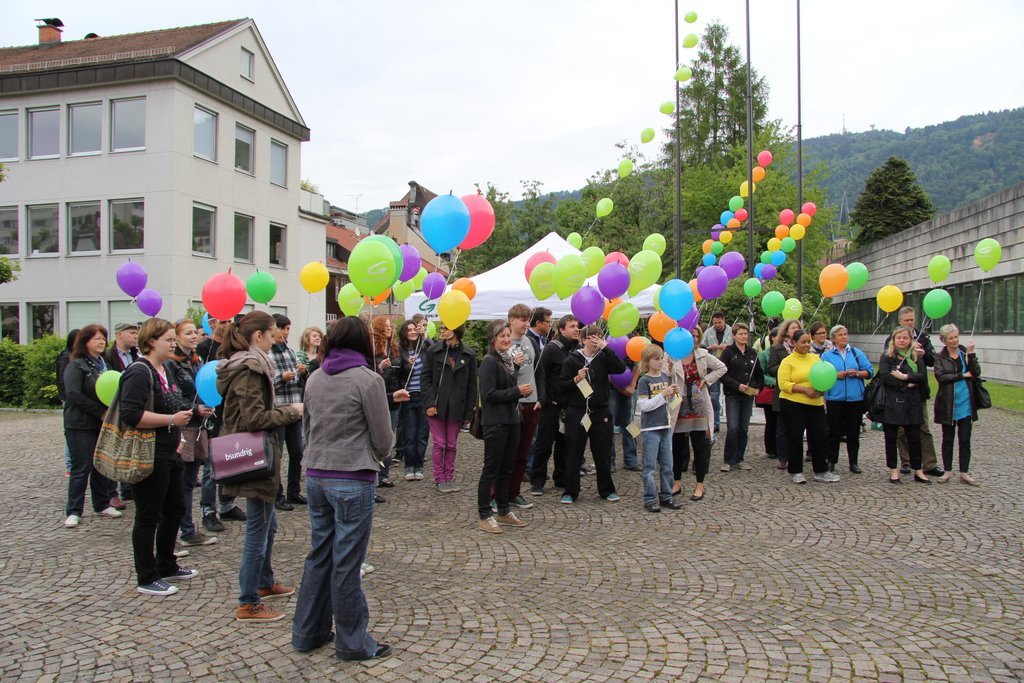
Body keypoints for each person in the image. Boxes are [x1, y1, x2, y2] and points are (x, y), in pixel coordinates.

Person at [292, 317, 393, 661]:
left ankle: (308, 631)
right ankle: (352, 642)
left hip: (317, 475)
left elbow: (307, 428)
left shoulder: (315, 378)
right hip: (352, 476)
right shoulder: (368, 380)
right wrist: (376, 456)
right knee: (347, 563)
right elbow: (383, 438)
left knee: (319, 555)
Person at [216, 311, 304, 621]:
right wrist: (291, 411)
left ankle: (264, 583)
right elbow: (254, 418)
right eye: (271, 334)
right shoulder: (250, 368)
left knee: (269, 523)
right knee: (258, 528)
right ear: (258, 336)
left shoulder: (251, 363)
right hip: (254, 452)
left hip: (258, 451)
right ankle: (248, 601)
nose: (275, 339)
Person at [119, 318, 198, 596]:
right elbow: (131, 414)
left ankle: (167, 563)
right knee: (148, 515)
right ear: (151, 341)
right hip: (149, 452)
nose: (173, 344)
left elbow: (172, 406)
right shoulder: (139, 372)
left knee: (174, 508)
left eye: (173, 339)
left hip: (169, 450)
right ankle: (146, 575)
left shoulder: (165, 369)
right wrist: (171, 420)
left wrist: (179, 430)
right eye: (168, 339)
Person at [557, 324, 626, 504]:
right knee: (573, 452)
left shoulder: (603, 357)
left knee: (602, 453)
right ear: (582, 340)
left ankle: (607, 489)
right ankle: (570, 491)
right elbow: (561, 386)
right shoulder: (571, 360)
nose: (596, 341)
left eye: (599, 338)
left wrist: (606, 348)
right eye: (592, 338)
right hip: (577, 410)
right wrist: (576, 379)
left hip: (600, 411)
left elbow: (620, 368)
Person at [165, 318, 218, 546]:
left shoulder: (196, 361)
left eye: (194, 333)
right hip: (182, 426)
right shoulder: (171, 365)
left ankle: (187, 529)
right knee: (182, 482)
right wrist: (195, 408)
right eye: (187, 333)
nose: (194, 336)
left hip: (198, 426)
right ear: (177, 338)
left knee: (188, 481)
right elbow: (172, 398)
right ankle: (184, 530)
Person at [62, 325, 120, 528]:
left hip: (102, 423)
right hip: (80, 424)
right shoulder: (76, 365)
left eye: (103, 338)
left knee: (101, 465)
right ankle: (74, 511)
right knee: (81, 468)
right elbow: (73, 394)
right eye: (96, 338)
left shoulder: (104, 364)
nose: (101, 342)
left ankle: (102, 503)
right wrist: (100, 412)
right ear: (85, 341)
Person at [477, 320, 531, 533]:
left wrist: (515, 372)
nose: (507, 339)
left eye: (508, 335)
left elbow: (505, 385)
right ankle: (484, 514)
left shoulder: (506, 360)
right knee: (491, 470)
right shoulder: (489, 362)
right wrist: (517, 391)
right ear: (493, 339)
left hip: (512, 421)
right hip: (496, 423)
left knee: (506, 470)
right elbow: (489, 395)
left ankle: (503, 510)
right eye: (502, 336)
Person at [197, 317, 246, 532]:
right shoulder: (203, 348)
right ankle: (208, 510)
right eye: (222, 321)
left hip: (230, 411)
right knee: (211, 467)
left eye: (228, 321)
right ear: (212, 323)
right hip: (211, 412)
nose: (226, 324)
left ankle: (227, 504)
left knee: (230, 461)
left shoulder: (233, 348)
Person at [885, 307, 943, 477]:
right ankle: (906, 462)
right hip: (899, 393)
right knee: (901, 430)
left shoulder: (923, 337)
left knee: (923, 428)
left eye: (912, 320)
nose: (910, 323)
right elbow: (888, 365)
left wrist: (923, 354)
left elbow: (933, 361)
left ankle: (929, 463)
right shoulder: (893, 338)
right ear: (900, 321)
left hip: (918, 393)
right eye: (906, 321)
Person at [670, 327, 726, 500]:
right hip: (678, 405)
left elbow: (721, 367)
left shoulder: (702, 354)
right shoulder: (672, 354)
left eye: (696, 336)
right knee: (677, 446)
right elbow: (663, 374)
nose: (694, 339)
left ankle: (700, 484)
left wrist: (706, 380)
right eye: (691, 335)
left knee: (700, 446)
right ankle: (676, 482)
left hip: (699, 404)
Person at [422, 323, 477, 492]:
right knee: (440, 443)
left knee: (451, 444)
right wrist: (430, 403)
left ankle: (449, 477)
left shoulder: (469, 354)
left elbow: (472, 386)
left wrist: (469, 413)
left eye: (445, 328)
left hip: (457, 408)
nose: (442, 330)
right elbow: (425, 379)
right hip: (437, 406)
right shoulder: (433, 351)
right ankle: (439, 478)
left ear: (454, 330)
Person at [777, 329, 836, 484]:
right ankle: (796, 471)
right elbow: (783, 384)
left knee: (820, 436)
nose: (806, 345)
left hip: (815, 403)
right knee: (795, 437)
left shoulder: (815, 359)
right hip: (793, 403)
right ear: (794, 343)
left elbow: (822, 375)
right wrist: (804, 389)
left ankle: (821, 470)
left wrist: (822, 389)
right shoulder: (788, 361)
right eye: (803, 342)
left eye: (808, 342)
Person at [529, 315, 580, 495]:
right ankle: (537, 480)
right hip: (551, 404)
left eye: (577, 326)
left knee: (564, 445)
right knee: (544, 444)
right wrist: (544, 397)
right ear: (562, 329)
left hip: (569, 406)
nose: (576, 329)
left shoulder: (578, 350)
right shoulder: (551, 349)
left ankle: (561, 477)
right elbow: (540, 374)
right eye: (572, 326)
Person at [503, 304, 544, 510]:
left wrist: (541, 397)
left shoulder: (530, 341)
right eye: (522, 319)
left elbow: (539, 370)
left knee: (523, 452)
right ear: (512, 320)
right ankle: (499, 493)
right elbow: (500, 377)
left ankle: (514, 492)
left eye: (528, 319)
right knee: (507, 452)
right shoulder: (503, 342)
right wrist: (514, 365)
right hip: (513, 404)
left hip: (532, 404)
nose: (526, 324)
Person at [877, 326, 929, 485]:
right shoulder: (887, 357)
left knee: (915, 438)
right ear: (893, 340)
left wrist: (905, 376)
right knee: (891, 438)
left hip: (912, 403)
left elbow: (922, 376)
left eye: (905, 338)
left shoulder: (915, 357)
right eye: (899, 338)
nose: (902, 340)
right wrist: (906, 384)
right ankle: (894, 470)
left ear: (910, 340)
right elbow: (886, 377)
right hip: (892, 403)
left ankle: (918, 470)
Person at [635, 345, 682, 513]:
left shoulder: (664, 376)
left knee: (667, 465)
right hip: (650, 428)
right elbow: (644, 406)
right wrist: (663, 394)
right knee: (649, 467)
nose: (660, 361)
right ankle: (649, 498)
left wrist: (672, 393)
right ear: (647, 361)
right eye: (656, 359)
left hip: (665, 425)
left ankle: (667, 496)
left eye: (661, 358)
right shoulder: (644, 381)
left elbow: (668, 402)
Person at [821, 325, 873, 474]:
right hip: (835, 398)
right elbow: (822, 375)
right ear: (833, 339)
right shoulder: (827, 356)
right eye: (840, 335)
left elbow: (869, 371)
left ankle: (853, 462)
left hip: (855, 399)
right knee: (833, 431)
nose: (844, 337)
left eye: (845, 334)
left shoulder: (856, 353)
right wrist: (835, 375)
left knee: (853, 432)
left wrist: (857, 373)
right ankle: (831, 460)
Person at [933, 324, 981, 485]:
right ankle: (947, 471)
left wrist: (971, 354)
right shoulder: (940, 357)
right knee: (948, 439)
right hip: (948, 404)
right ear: (944, 340)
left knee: (965, 439)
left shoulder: (963, 352)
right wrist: (961, 375)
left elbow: (976, 372)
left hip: (966, 402)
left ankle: (964, 472)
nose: (954, 340)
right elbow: (941, 377)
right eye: (951, 338)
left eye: (956, 337)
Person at [270, 314, 307, 511]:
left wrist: (302, 372)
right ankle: (277, 494)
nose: (285, 333)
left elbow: (300, 382)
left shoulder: (291, 352)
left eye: (288, 329)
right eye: (283, 329)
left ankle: (294, 491)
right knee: (277, 455)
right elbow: (267, 384)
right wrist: (281, 379)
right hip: (278, 410)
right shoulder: (267, 354)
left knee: (297, 452)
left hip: (294, 409)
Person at [718, 322, 763, 472]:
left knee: (743, 428)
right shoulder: (728, 352)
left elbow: (759, 374)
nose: (743, 336)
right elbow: (722, 374)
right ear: (734, 336)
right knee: (733, 427)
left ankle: (739, 458)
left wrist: (758, 388)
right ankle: (728, 459)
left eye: (745, 334)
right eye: (741, 334)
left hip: (748, 395)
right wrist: (737, 385)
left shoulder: (752, 353)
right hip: (733, 395)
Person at [105, 321, 140, 506]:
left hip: (132, 405)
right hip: (114, 405)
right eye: (131, 333)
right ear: (119, 334)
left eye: (136, 333)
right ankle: (112, 492)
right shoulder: (108, 356)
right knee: (115, 448)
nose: (135, 336)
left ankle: (129, 487)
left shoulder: (137, 355)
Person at [370, 316, 404, 490]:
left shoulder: (394, 348)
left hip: (394, 398)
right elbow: (368, 375)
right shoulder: (371, 351)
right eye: (386, 326)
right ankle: (373, 475)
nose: (390, 329)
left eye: (391, 326)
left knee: (389, 437)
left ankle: (384, 475)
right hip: (377, 397)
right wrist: (380, 368)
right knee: (376, 436)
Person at [767, 319, 801, 471]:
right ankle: (782, 457)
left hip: (800, 391)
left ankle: (795, 456)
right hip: (783, 392)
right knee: (782, 428)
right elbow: (771, 368)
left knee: (797, 428)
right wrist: (787, 367)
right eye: (792, 327)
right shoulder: (777, 348)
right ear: (786, 330)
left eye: (797, 327)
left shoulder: (803, 347)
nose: (795, 329)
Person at [398, 319, 429, 481]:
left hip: (423, 396)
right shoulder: (400, 350)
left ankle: (419, 465)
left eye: (414, 329)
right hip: (408, 396)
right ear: (404, 332)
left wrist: (425, 337)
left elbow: (434, 352)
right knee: (410, 433)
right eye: (409, 329)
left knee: (422, 434)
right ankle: (409, 466)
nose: (412, 332)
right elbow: (398, 375)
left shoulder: (423, 347)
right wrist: (407, 366)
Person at [700, 312, 732, 434]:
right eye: (715, 323)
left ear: (724, 320)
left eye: (719, 322)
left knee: (730, 395)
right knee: (714, 396)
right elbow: (701, 348)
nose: (717, 325)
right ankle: (715, 423)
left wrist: (728, 347)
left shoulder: (731, 331)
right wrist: (710, 347)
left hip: (729, 366)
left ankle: (731, 423)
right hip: (713, 368)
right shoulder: (708, 332)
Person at [57, 328, 80, 477]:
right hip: (69, 399)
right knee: (71, 432)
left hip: (74, 398)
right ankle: (70, 464)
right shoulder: (66, 357)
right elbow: (63, 380)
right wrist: (66, 398)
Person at [754, 326, 778, 460]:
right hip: (771, 390)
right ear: (772, 338)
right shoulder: (763, 354)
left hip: (784, 391)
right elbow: (760, 374)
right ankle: (770, 448)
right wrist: (773, 381)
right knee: (771, 421)